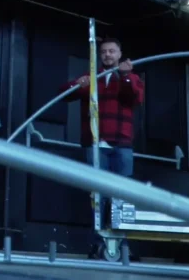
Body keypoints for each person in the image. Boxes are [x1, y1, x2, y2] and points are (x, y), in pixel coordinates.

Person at [62, 38, 144, 258]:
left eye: (112, 51)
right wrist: (77, 84)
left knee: (122, 195)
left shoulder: (131, 77)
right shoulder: (91, 79)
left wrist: (125, 75)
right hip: (96, 145)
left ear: (119, 54)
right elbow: (64, 94)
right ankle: (100, 245)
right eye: (104, 52)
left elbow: (135, 98)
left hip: (122, 145)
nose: (108, 55)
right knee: (98, 197)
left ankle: (122, 246)